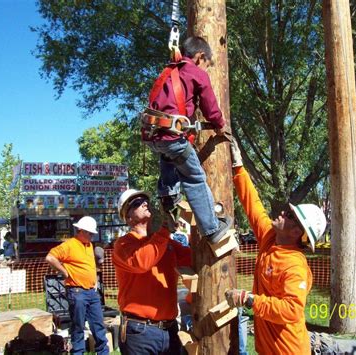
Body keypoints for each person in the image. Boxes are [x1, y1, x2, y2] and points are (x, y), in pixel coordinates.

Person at [224, 137, 327, 354]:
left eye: (290, 215)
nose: (282, 212)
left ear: (297, 232)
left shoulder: (294, 266)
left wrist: (248, 299)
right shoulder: (270, 238)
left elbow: (292, 310)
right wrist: (238, 167)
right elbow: (253, 205)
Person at [141, 36, 232, 244]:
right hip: (172, 137)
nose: (206, 69)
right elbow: (210, 107)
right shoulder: (196, 73)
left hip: (153, 136)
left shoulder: (167, 71)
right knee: (194, 178)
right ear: (200, 57)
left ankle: (169, 196)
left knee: (169, 158)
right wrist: (220, 125)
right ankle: (212, 229)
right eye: (207, 64)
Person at [112, 189, 192, 354]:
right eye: (136, 203)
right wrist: (164, 231)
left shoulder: (164, 242)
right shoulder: (123, 245)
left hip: (169, 329)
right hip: (140, 332)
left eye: (145, 200)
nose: (144, 203)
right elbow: (143, 262)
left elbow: (192, 258)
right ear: (128, 218)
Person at [45, 216, 109, 355]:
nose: (92, 236)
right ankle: (78, 352)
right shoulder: (69, 245)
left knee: (98, 325)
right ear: (81, 230)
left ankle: (103, 352)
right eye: (90, 233)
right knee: (78, 326)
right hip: (77, 291)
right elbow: (50, 258)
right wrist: (64, 272)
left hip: (92, 292)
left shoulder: (89, 245)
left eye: (92, 233)